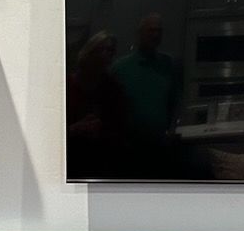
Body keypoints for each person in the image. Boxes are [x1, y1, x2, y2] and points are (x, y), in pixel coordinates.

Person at [110, 14, 181, 169]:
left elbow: (175, 101)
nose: (155, 35)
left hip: (161, 144)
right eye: (151, 30)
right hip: (128, 146)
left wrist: (172, 130)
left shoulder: (168, 65)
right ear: (140, 33)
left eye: (159, 31)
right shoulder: (120, 68)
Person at [66, 31, 127, 178]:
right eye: (102, 49)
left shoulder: (113, 88)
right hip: (72, 160)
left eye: (110, 51)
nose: (106, 55)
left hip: (103, 162)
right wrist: (75, 129)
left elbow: (120, 126)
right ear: (89, 53)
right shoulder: (68, 86)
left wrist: (102, 128)